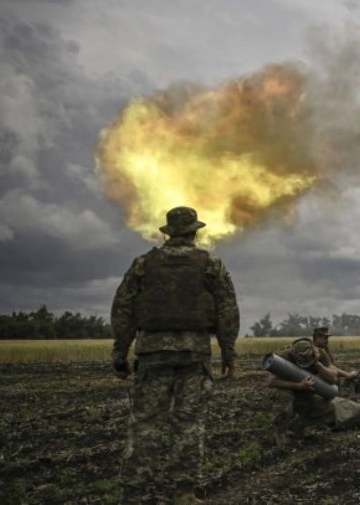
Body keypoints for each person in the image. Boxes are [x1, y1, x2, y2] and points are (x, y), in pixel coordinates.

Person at [111, 206, 240, 504]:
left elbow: (123, 310)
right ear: (194, 231)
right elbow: (227, 310)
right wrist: (229, 354)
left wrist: (120, 352)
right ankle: (183, 493)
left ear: (168, 232)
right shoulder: (211, 264)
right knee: (188, 424)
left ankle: (134, 494)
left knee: (145, 423)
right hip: (193, 356)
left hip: (153, 354)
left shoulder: (143, 264)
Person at [266, 338, 360, 445]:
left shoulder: (319, 354)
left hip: (308, 390)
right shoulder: (285, 356)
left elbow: (333, 378)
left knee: (326, 409)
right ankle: (280, 433)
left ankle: (298, 426)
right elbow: (271, 382)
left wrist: (318, 365)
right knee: (282, 395)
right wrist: (299, 386)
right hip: (291, 389)